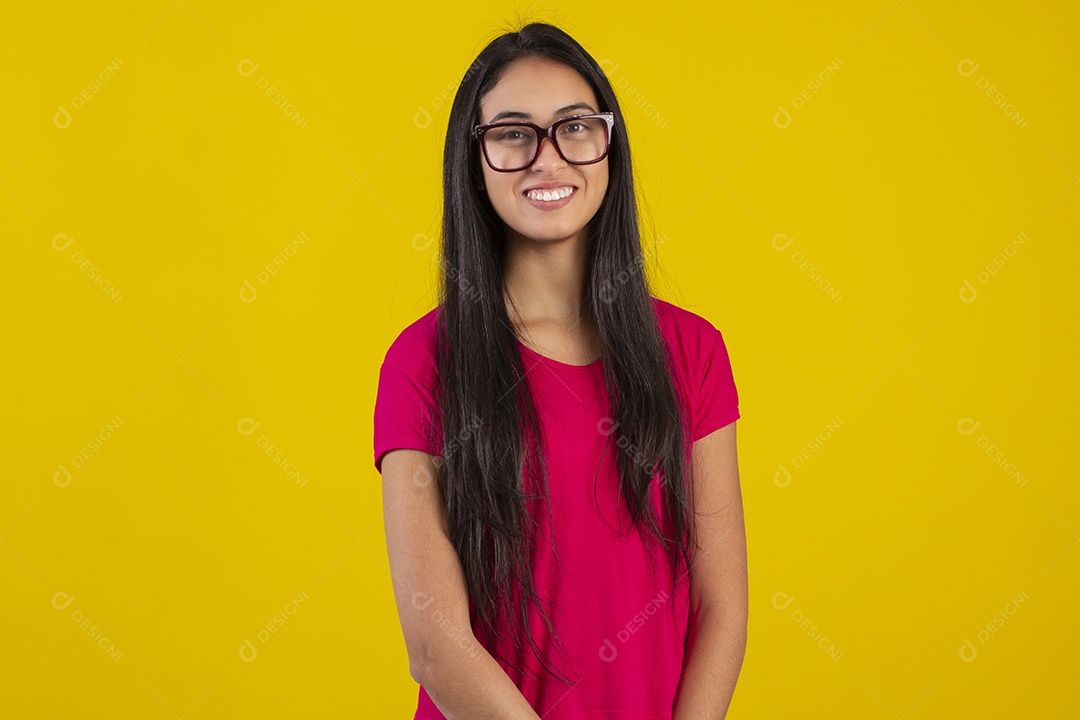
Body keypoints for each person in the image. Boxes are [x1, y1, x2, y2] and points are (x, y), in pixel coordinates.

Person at [373, 21, 746, 719]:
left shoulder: (692, 351)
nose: (547, 158)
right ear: (474, 162)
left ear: (609, 145)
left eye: (574, 127)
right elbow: (434, 644)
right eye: (513, 134)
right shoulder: (424, 362)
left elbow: (720, 606)